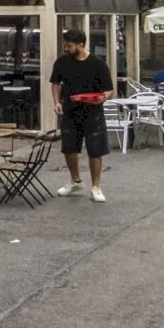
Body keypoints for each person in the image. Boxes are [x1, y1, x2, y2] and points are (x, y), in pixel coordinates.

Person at [50, 32, 114, 201]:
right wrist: (56, 101)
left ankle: (96, 187)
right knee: (69, 147)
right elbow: (56, 82)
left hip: (93, 112)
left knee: (95, 149)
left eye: (69, 45)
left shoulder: (98, 64)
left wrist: (102, 98)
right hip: (70, 110)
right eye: (66, 45)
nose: (66, 48)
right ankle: (75, 180)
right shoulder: (62, 62)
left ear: (80, 45)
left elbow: (109, 89)